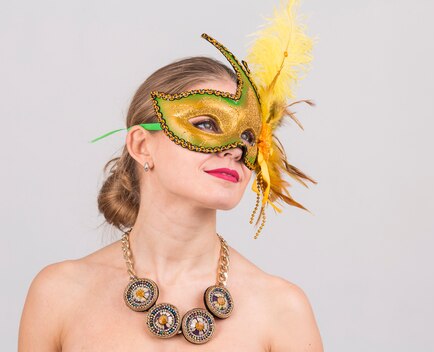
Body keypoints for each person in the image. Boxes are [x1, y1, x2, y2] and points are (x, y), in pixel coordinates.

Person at [18, 1, 323, 350]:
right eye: (207, 124)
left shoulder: (281, 310)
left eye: (249, 137)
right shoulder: (58, 293)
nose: (235, 150)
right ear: (141, 145)